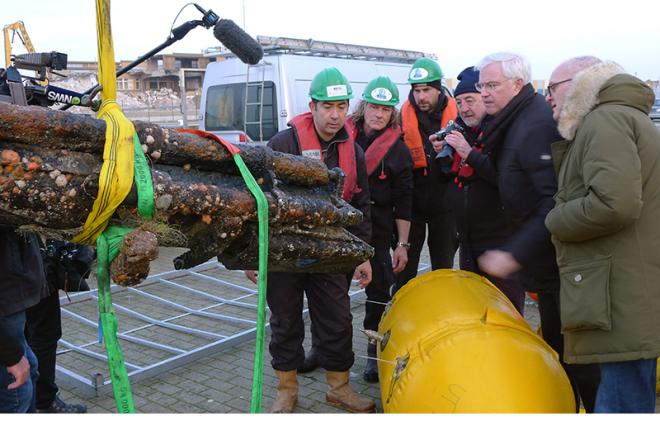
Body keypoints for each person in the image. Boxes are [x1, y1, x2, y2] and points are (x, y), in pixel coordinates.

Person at [474, 52, 600, 412]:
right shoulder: (515, 122)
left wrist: (514, 253)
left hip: (562, 268)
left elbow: (552, 201)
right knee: (564, 352)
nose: (484, 92)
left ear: (518, 84)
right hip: (549, 268)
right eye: (482, 84)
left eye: (492, 84)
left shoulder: (534, 126)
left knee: (577, 360)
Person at [245, 67, 375, 413]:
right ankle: (286, 391)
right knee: (285, 320)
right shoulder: (283, 144)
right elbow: (257, 200)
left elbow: (360, 204)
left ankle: (339, 388)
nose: (335, 115)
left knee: (337, 318)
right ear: (312, 106)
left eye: (342, 106)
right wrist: (251, 256)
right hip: (283, 251)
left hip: (330, 251)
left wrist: (362, 255)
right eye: (328, 107)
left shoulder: (354, 152)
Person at [544, 56, 660, 413]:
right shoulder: (625, 116)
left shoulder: (604, 119)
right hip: (627, 284)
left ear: (577, 85)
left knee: (622, 403)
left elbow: (616, 204)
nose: (547, 98)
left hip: (618, 291)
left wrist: (556, 218)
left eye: (552, 89)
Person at [430, 66, 525, 314]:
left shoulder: (506, 132)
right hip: (469, 242)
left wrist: (467, 153)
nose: (464, 108)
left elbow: (505, 180)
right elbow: (444, 180)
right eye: (459, 102)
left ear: (484, 98)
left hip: (502, 243)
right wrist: (438, 153)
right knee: (475, 311)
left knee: (506, 313)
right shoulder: (462, 131)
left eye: (470, 100)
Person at [345, 76, 413, 382]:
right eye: (374, 106)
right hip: (341, 230)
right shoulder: (343, 139)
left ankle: (373, 355)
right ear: (364, 106)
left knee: (377, 297)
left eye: (385, 109)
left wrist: (403, 244)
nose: (378, 114)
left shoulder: (398, 152)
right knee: (328, 294)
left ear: (391, 114)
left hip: (379, 235)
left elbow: (404, 201)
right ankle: (326, 349)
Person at [395, 57, 458, 292]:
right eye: (417, 90)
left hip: (446, 204)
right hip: (413, 205)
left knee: (443, 269)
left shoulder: (458, 115)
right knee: (405, 270)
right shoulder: (401, 117)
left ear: (438, 88)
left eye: (427, 90)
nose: (421, 96)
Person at [25, 240, 93, 413]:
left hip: (22, 276)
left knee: (27, 334)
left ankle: (30, 397)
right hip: (32, 273)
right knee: (44, 336)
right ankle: (45, 402)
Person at [0, 229, 47, 413]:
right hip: (4, 310)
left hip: (11, 304)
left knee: (31, 369)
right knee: (15, 394)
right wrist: (10, 356)